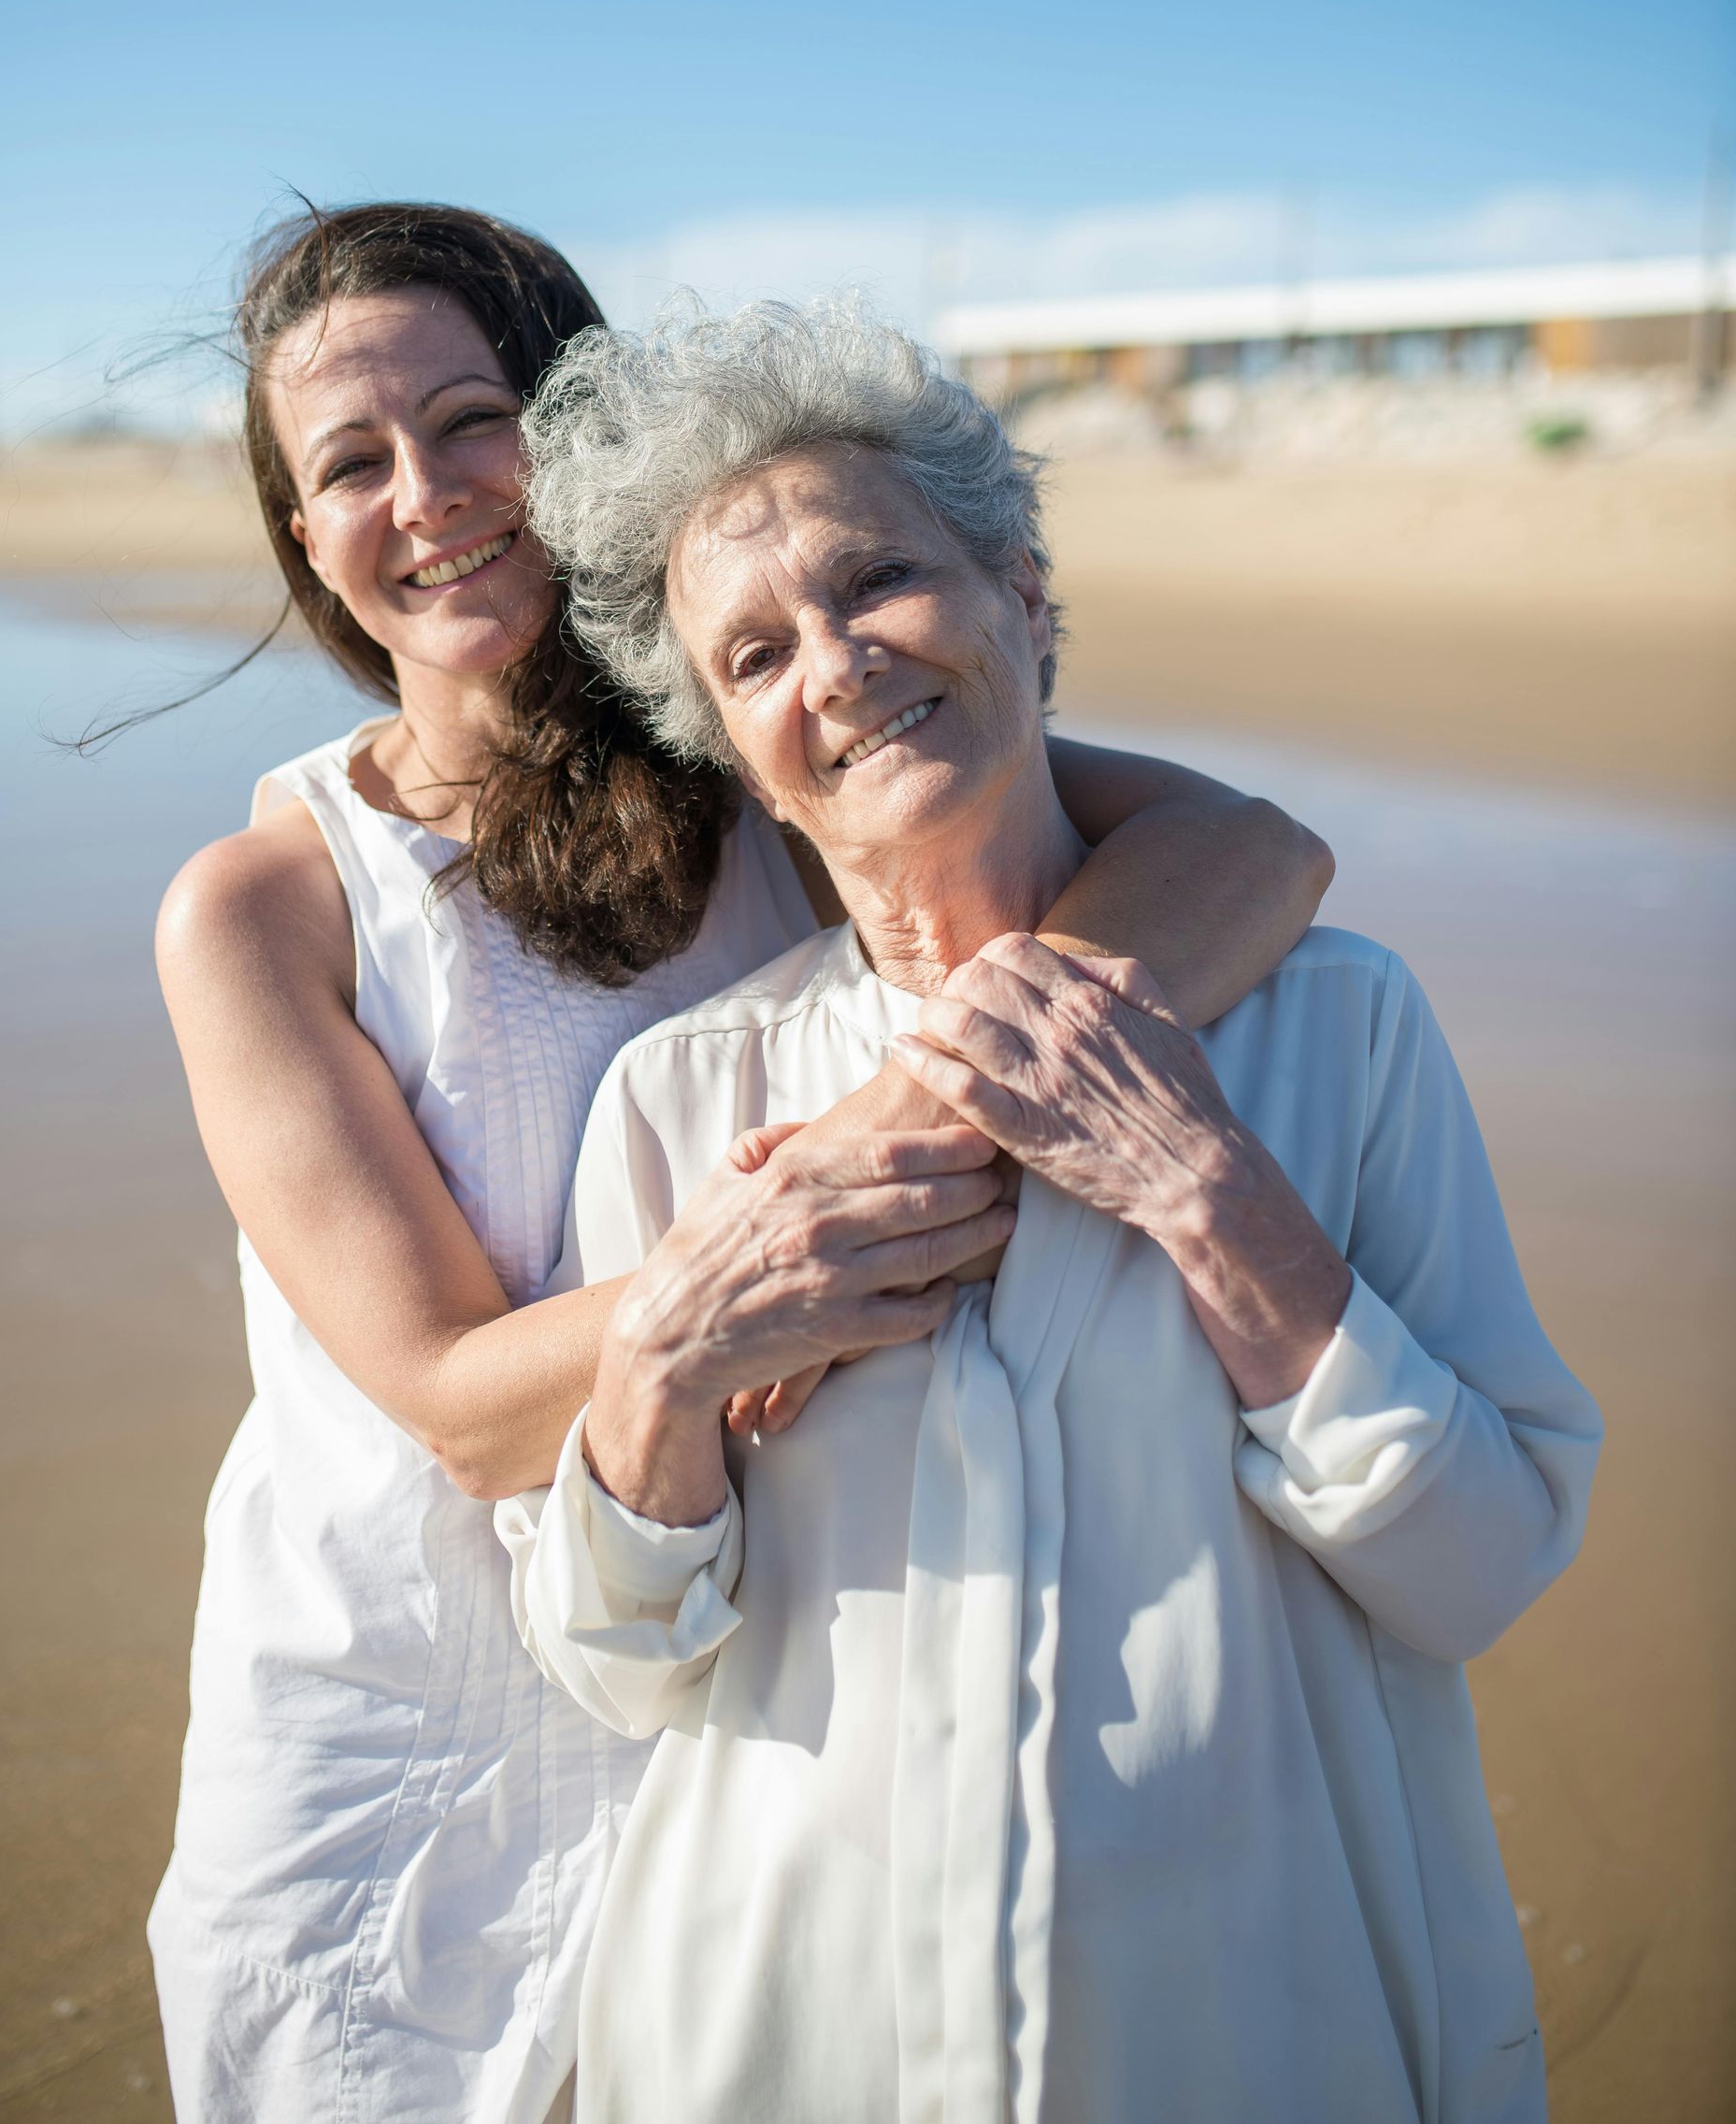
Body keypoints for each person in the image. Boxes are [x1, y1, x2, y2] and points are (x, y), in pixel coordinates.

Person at [147, 203, 1334, 2121]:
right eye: (350, 465)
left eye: (473, 419)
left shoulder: (780, 761)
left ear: (589, 427)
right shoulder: (271, 904)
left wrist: (900, 1130)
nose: (425, 494)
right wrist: (750, 1261)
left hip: (734, 1704)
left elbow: (1253, 854)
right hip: (394, 1744)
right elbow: (457, 1405)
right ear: (306, 539)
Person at [501, 297, 1603, 2124]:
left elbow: (1480, 1566)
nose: (837, 666)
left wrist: (1203, 1185)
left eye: (879, 581)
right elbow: (623, 1666)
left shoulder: (1336, 1028)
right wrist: (663, 1361)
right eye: (756, 651)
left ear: (1024, 597)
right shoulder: (685, 1102)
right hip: (771, 2052)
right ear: (726, 744)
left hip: (1260, 2045)